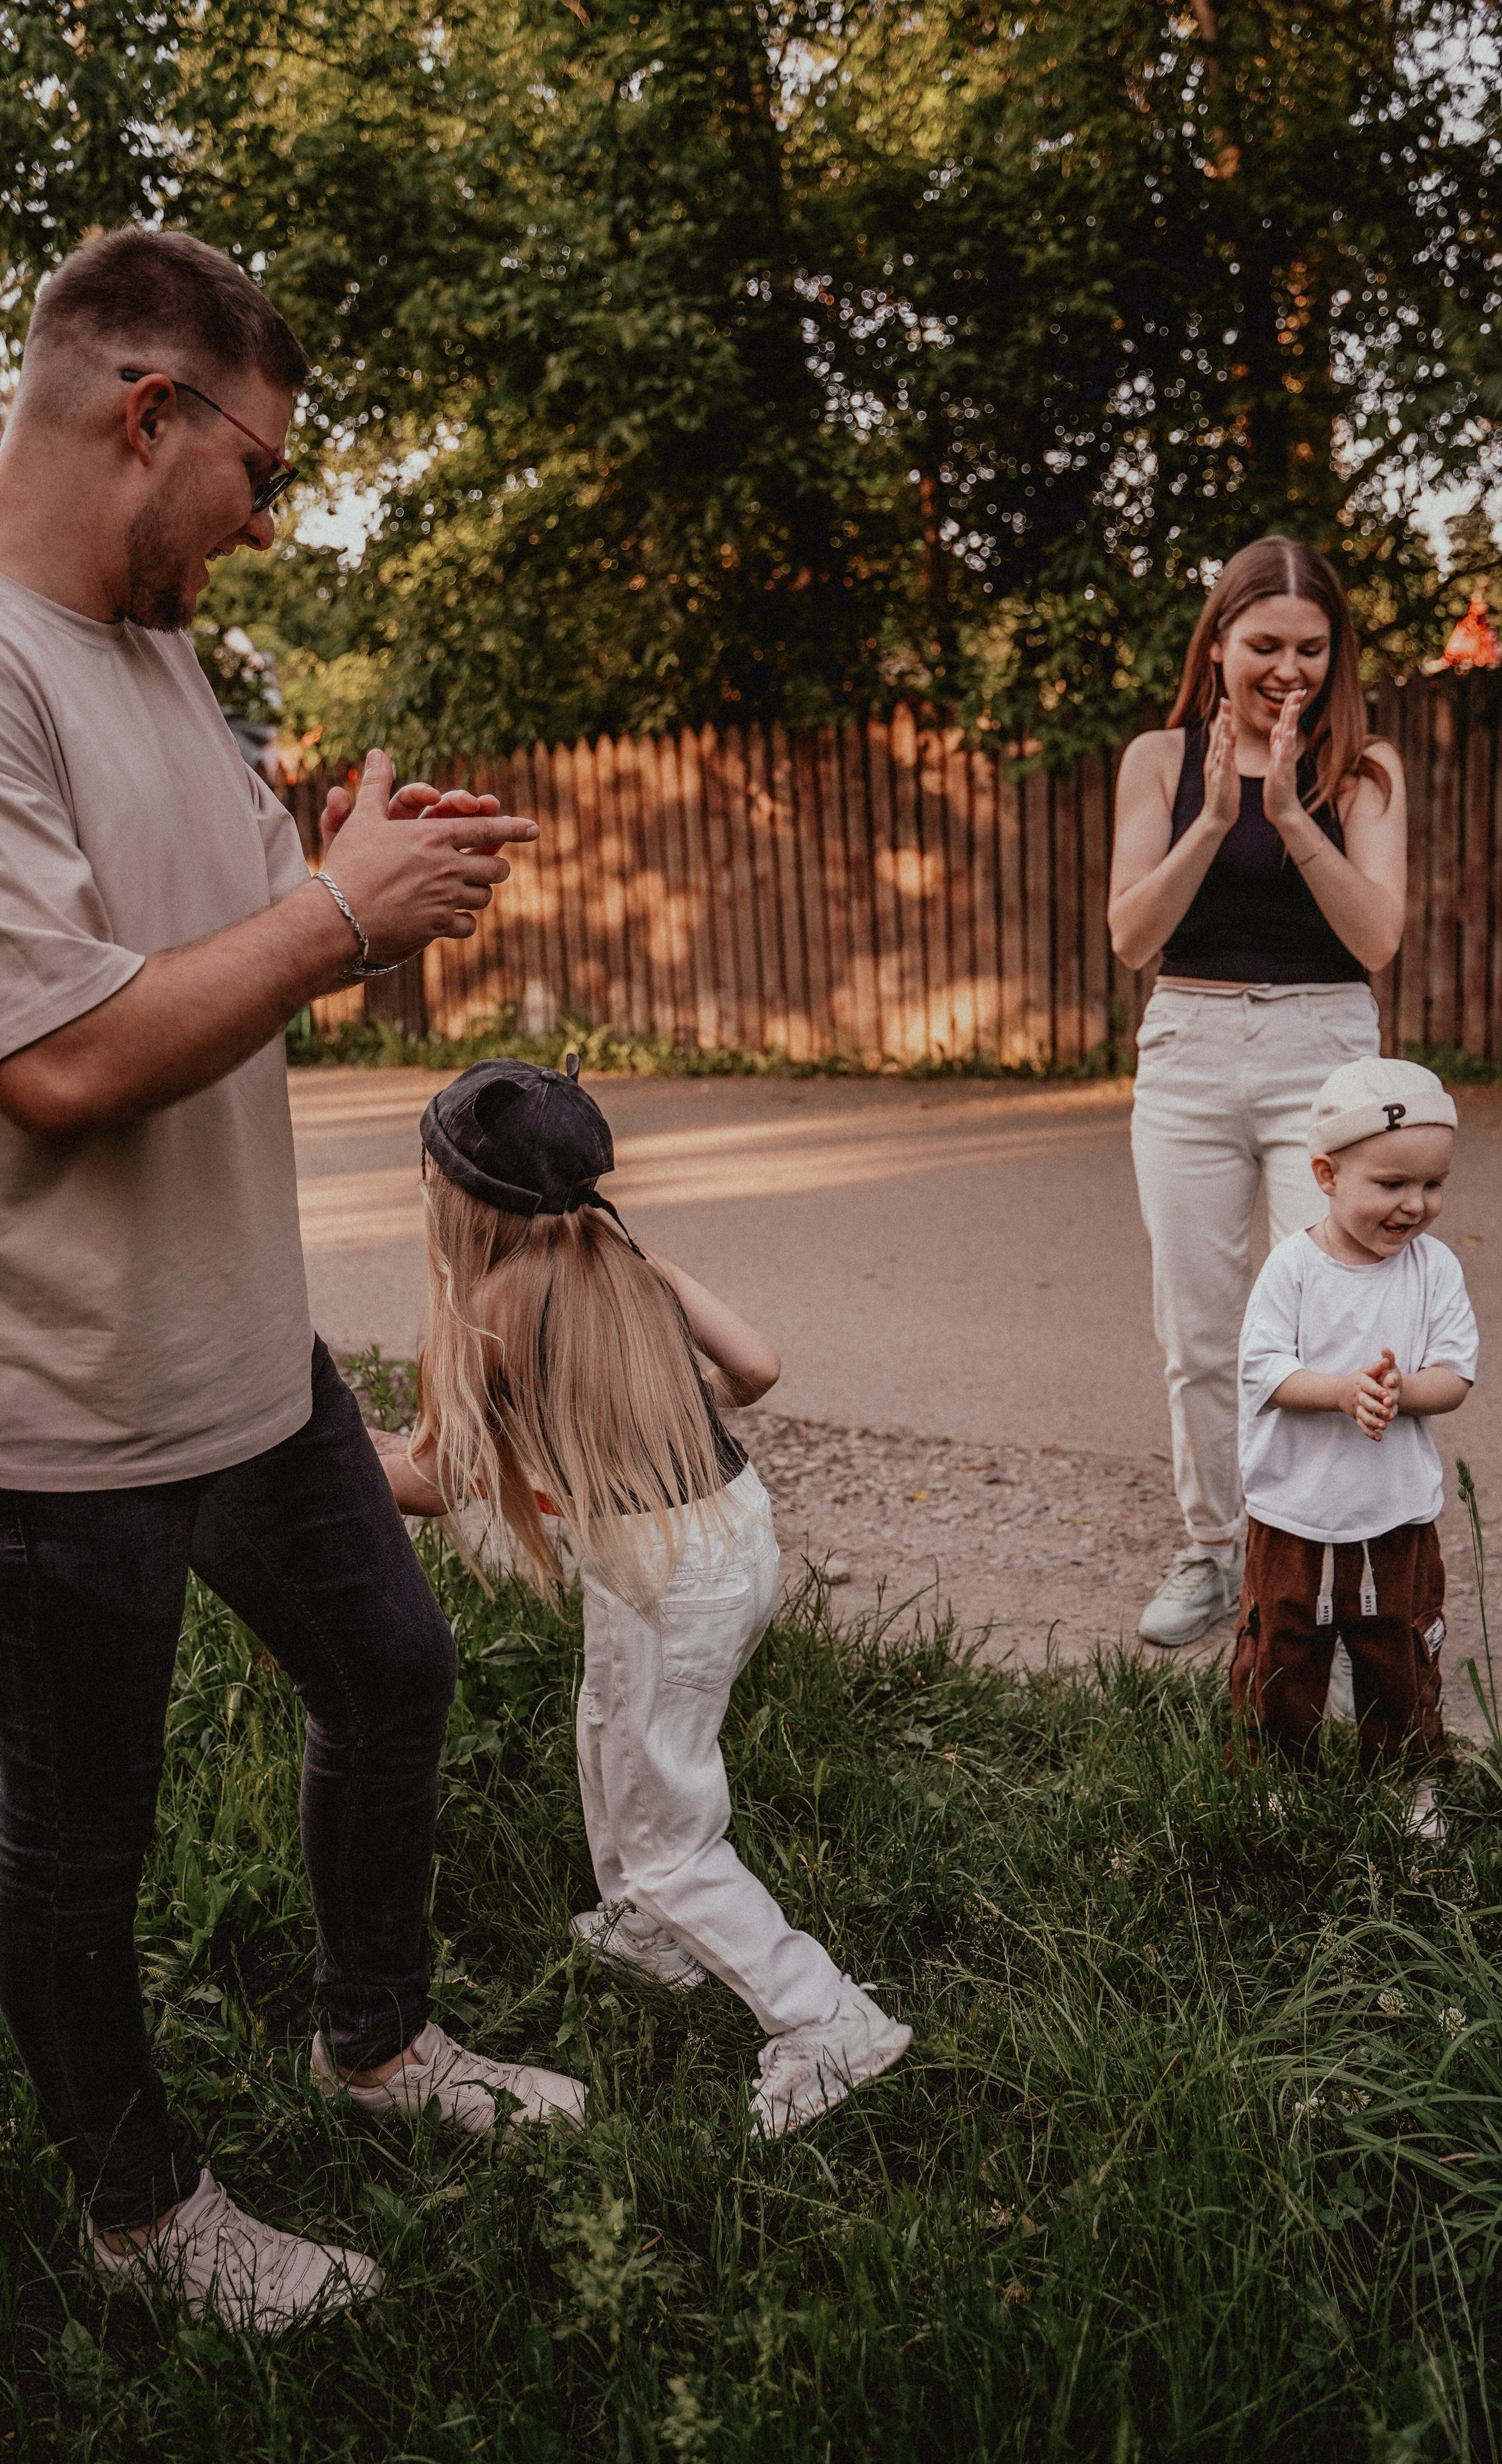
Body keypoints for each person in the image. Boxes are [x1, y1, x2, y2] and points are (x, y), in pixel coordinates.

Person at [0, 228, 583, 2338]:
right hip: (60, 1403)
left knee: (397, 1676)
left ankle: (372, 2039)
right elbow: (60, 1060)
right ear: (149, 416)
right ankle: (145, 2215)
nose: (265, 524)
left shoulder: (162, 660)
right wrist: (329, 913)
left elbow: (223, 978)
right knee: (78, 1851)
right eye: (258, 473)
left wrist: (341, 884)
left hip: (249, 1352)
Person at [372, 1059, 914, 2137]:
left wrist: (326, 1453)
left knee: (672, 1835)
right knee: (615, 1727)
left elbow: (434, 1484)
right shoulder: (625, 1256)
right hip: (730, 1539)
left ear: (459, 1200)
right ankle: (647, 1931)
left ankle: (829, 2024)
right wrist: (650, 1416)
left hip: (663, 1581)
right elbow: (757, 1368)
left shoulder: (484, 1306)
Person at [1107, 536, 1408, 1650]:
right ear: (1220, 644)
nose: (1290, 670)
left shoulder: (1365, 768)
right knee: (1197, 1330)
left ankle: (1321, 1564)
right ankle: (1212, 1547)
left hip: (1325, 1053)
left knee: (1329, 1322)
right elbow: (1132, 934)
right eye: (1266, 646)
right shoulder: (1156, 757)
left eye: (1312, 649)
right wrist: (1209, 820)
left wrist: (1287, 817)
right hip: (1187, 1047)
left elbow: (1377, 938)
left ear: (1340, 652)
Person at [1227, 1058, 1476, 1800]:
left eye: (1432, 1185)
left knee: (1395, 1649)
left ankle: (1405, 1780)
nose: (1414, 1206)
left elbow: (1455, 1376)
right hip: (1294, 1511)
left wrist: (1399, 1393)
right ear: (1328, 1176)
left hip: (1392, 1511)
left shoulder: (1433, 1271)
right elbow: (1264, 1371)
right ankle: (1282, 1778)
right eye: (1391, 1185)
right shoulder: (1294, 1269)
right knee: (1284, 1647)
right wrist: (1340, 1391)